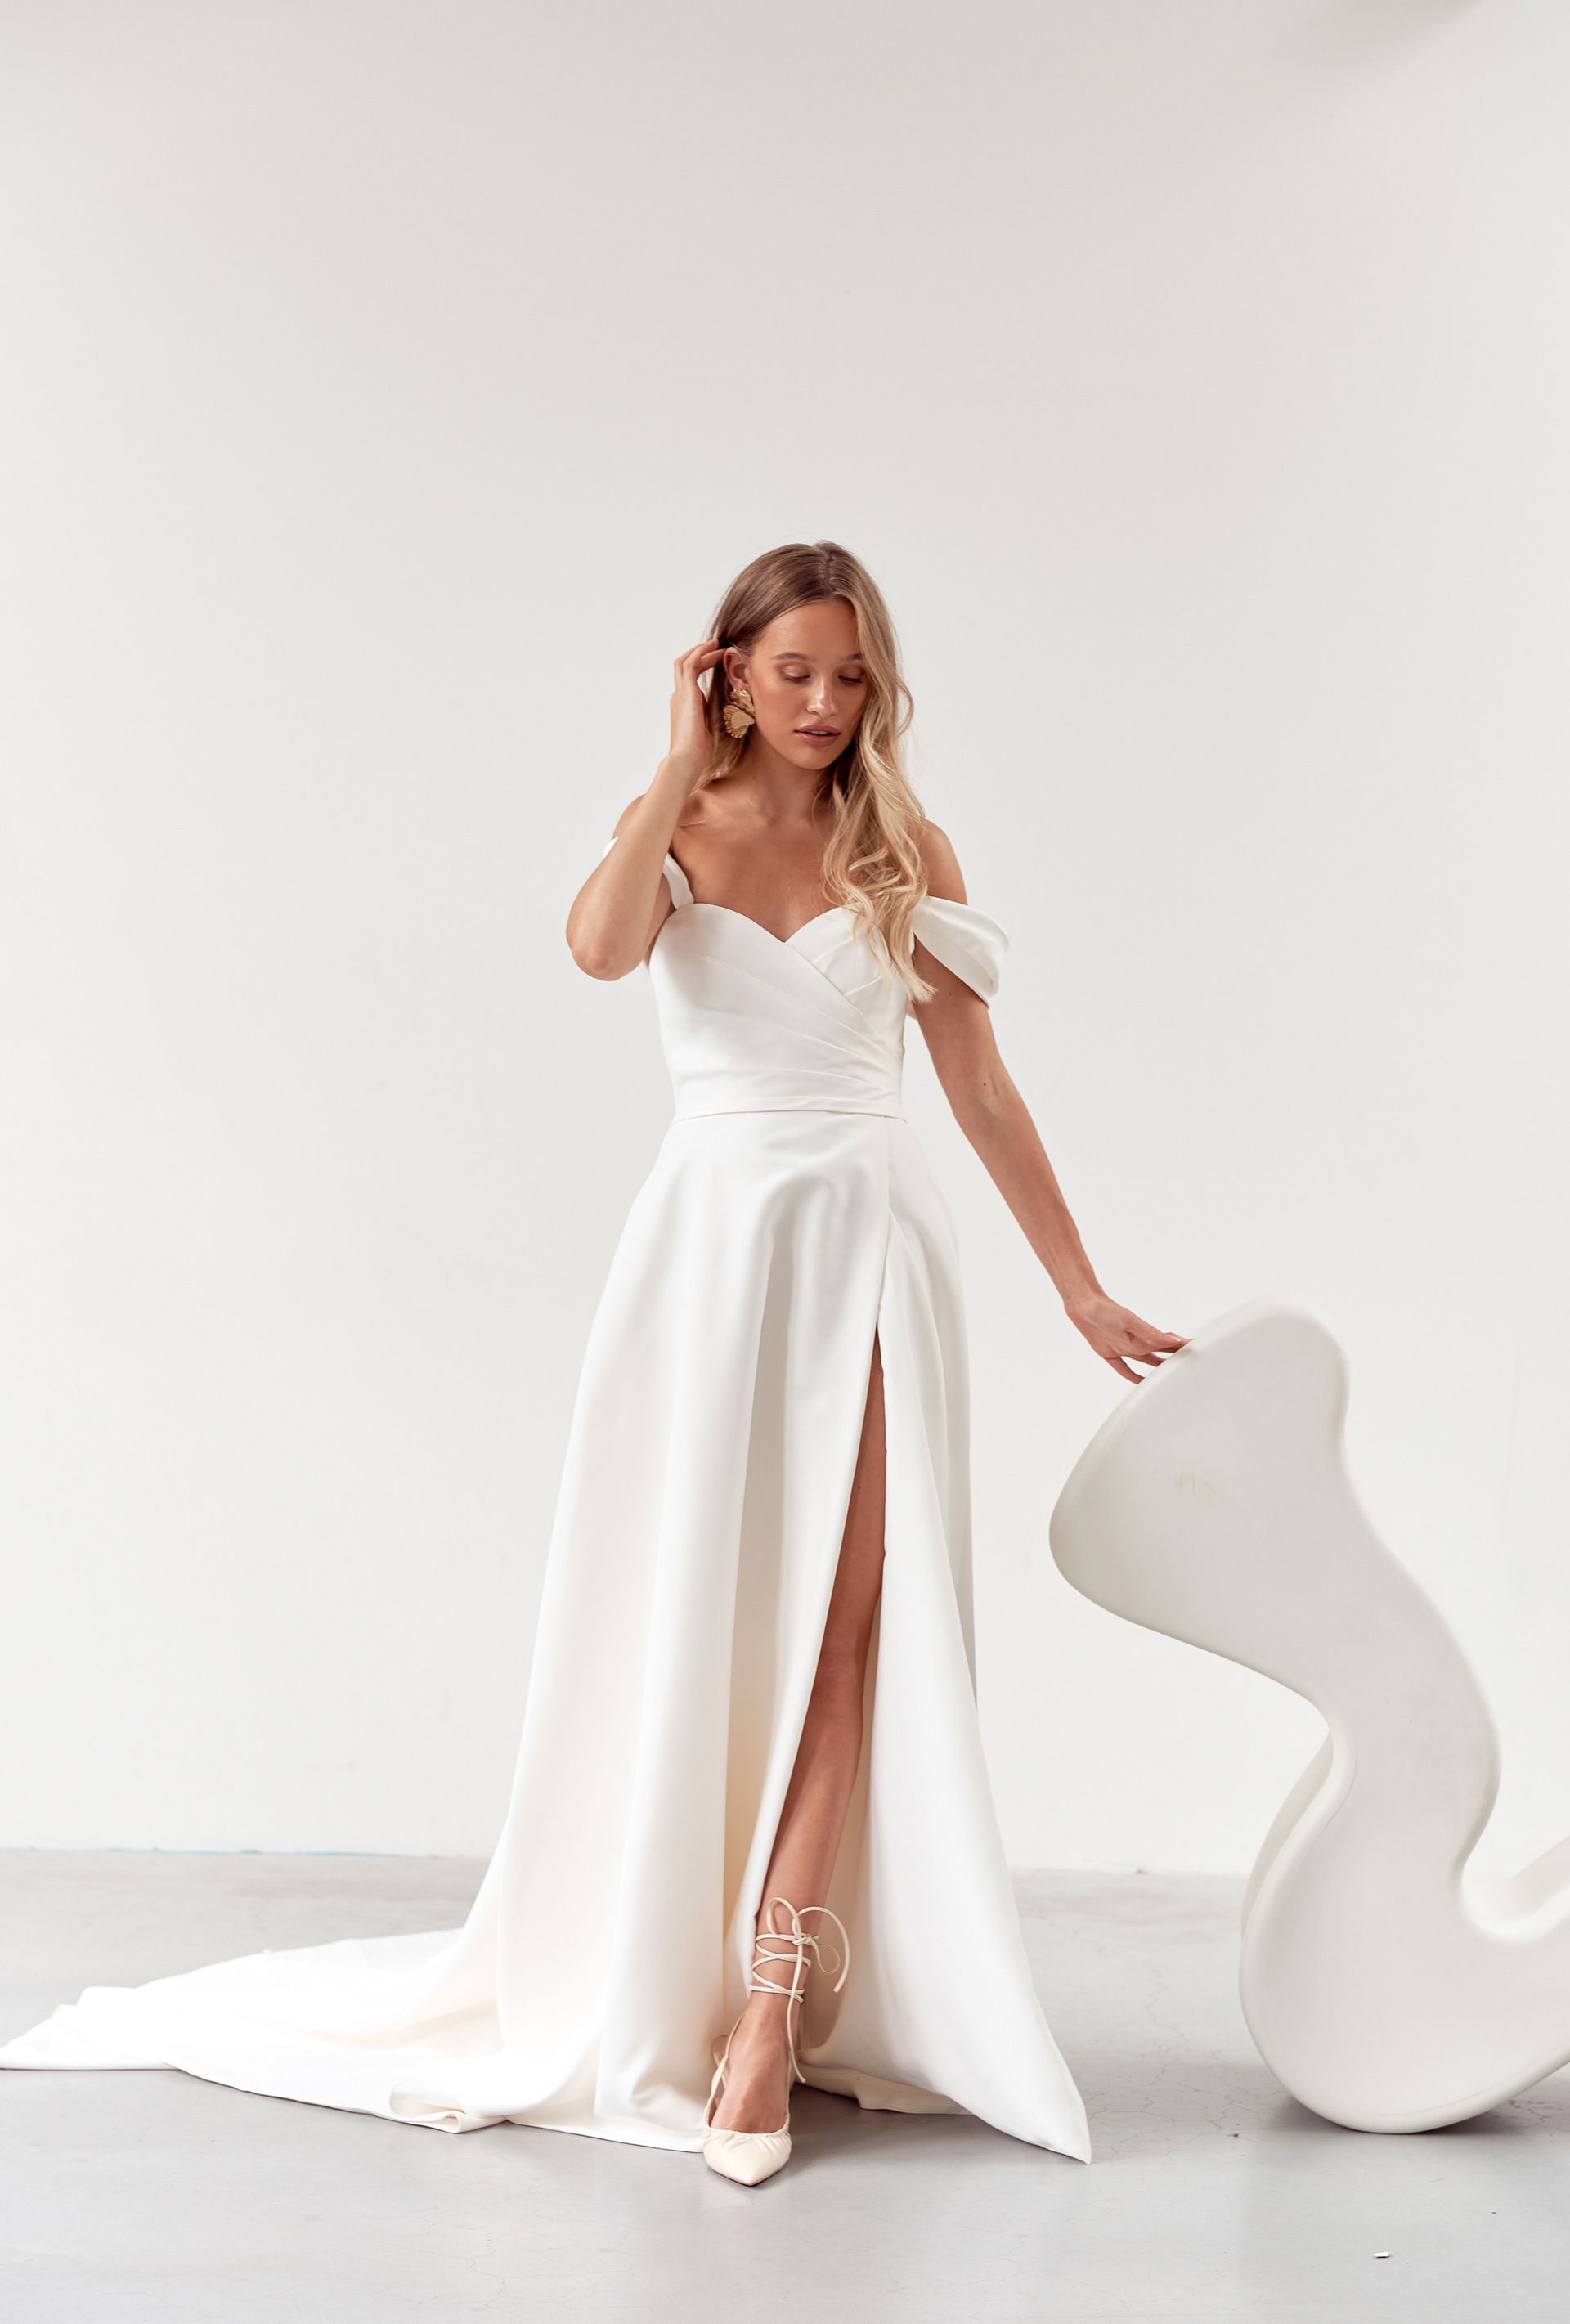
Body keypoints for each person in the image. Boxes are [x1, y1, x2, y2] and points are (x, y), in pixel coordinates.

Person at [0, 540, 1185, 2188]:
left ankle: (773, 2009)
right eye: (793, 674)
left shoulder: (903, 843)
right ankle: (659, 1969)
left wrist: (1078, 1285)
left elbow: (982, 1092)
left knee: (853, 1621)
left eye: (850, 676)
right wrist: (666, 763)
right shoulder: (683, 828)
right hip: (709, 1252)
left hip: (871, 1240)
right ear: (729, 670)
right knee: (692, 1611)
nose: (828, 706)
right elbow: (597, 947)